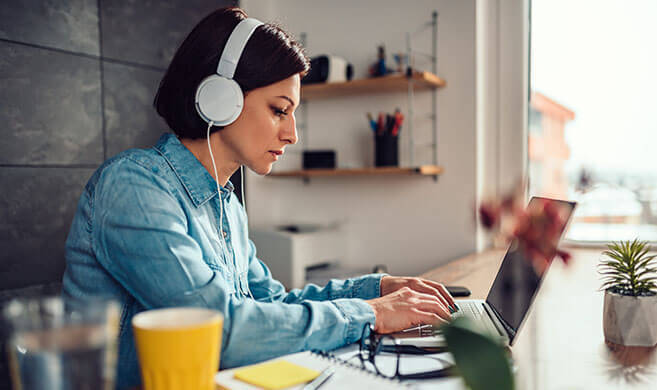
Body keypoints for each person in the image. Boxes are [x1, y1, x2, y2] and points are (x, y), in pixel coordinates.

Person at [62, 7, 455, 389]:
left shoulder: (227, 205)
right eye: (279, 111)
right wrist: (368, 315)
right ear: (220, 98)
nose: (292, 134)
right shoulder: (134, 187)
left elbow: (271, 306)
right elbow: (224, 330)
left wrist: (376, 288)